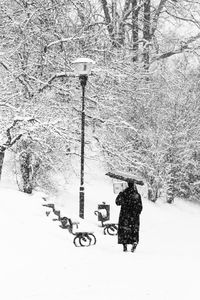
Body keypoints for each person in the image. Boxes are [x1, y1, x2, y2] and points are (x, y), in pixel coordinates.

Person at [115, 181, 143, 252]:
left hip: (124, 216)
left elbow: (117, 202)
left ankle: (124, 245)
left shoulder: (123, 193)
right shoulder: (137, 195)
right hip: (134, 217)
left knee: (124, 230)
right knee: (134, 231)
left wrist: (120, 194)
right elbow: (140, 207)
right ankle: (134, 243)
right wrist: (136, 213)